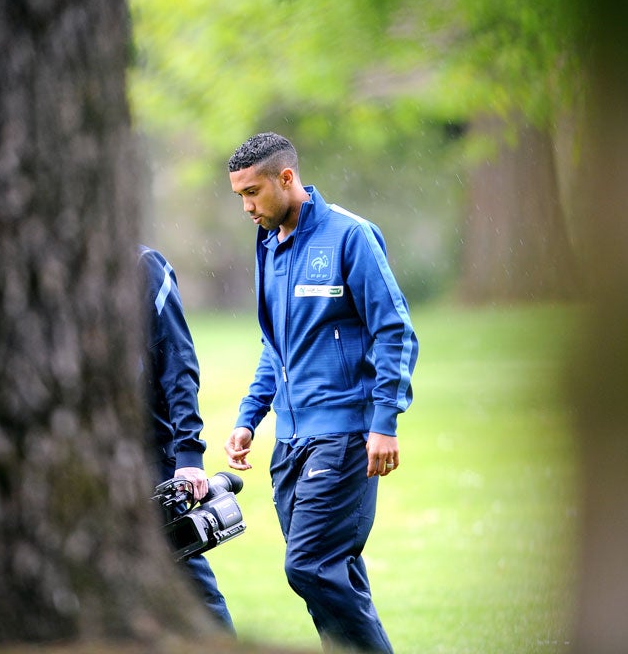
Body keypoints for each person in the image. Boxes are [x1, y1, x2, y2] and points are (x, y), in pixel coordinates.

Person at [223, 133, 419, 653]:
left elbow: (395, 331)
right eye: (239, 196)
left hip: (345, 437)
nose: (247, 207)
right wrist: (249, 417)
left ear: (287, 178)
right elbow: (276, 346)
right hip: (289, 445)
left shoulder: (350, 236)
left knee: (309, 565)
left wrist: (384, 424)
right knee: (330, 580)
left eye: (253, 192)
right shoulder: (268, 246)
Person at [138, 245, 235, 632]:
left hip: (151, 455)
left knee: (187, 575)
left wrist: (189, 456)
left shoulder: (142, 265)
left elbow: (178, 364)